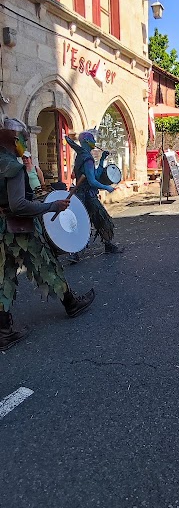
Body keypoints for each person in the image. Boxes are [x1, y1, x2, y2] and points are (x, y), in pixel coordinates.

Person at [0, 116, 95, 351]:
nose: (24, 142)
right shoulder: (13, 166)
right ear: (15, 139)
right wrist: (50, 206)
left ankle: (3, 330)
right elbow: (18, 205)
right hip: (17, 229)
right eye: (22, 138)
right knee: (46, 264)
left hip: (1, 228)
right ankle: (71, 303)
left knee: (4, 275)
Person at [65, 132, 122, 254]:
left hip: (81, 195)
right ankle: (105, 245)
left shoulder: (81, 155)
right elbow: (92, 181)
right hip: (88, 196)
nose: (95, 142)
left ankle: (76, 252)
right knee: (102, 220)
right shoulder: (87, 159)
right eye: (92, 139)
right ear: (86, 141)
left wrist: (102, 160)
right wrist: (107, 187)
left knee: (83, 222)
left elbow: (95, 175)